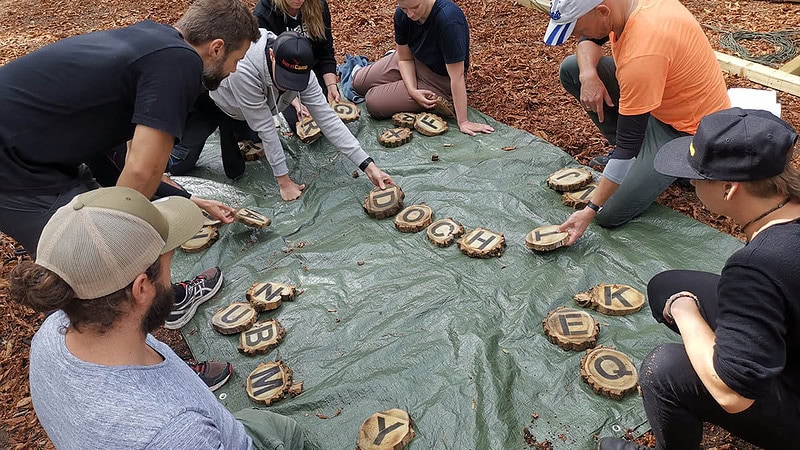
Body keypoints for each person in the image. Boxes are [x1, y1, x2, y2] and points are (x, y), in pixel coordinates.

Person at [8, 186, 303, 449]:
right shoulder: (176, 433)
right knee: (286, 432)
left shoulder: (52, 331)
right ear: (141, 288)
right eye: (168, 264)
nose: (171, 277)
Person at [598, 108, 800, 450]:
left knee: (664, 370)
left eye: (696, 176)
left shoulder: (758, 265)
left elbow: (732, 393)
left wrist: (685, 310)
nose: (690, 182)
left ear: (729, 188)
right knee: (667, 285)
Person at [0, 0, 261, 255]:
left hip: (32, 147)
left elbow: (116, 162)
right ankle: (150, 298)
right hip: (15, 165)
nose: (235, 70)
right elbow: (142, 171)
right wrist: (120, 248)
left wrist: (189, 199)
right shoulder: (181, 61)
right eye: (236, 59)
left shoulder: (152, 40)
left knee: (103, 218)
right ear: (216, 48)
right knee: (87, 256)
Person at [542, 0, 730, 245]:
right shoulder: (622, 7)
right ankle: (643, 160)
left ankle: (681, 167)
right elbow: (591, 40)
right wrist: (587, 74)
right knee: (572, 67)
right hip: (658, 101)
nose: (577, 36)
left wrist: (589, 209)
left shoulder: (643, 51)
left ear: (602, 12)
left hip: (687, 131)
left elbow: (627, 146)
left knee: (609, 213)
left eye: (579, 29)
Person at [210, 30, 394, 201]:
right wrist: (284, 182)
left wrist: (368, 165)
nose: (287, 85)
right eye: (284, 78)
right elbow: (266, 128)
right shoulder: (243, 70)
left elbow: (327, 118)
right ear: (272, 55)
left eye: (294, 80)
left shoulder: (305, 71)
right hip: (225, 104)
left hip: (264, 104)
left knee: (259, 138)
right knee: (234, 171)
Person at [351, 0, 494, 136]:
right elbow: (405, 58)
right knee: (358, 82)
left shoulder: (448, 20)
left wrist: (463, 121)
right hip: (414, 59)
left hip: (439, 78)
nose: (410, 14)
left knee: (373, 102)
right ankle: (400, 80)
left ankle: (439, 96)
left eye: (415, 7)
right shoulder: (403, 15)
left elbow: (457, 76)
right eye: (404, 8)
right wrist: (412, 90)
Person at [254, 0, 341, 132]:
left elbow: (326, 53)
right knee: (299, 122)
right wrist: (293, 101)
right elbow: (265, 64)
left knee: (331, 114)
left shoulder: (318, 5)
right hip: (279, 80)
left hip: (310, 74)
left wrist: (331, 86)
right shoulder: (264, 14)